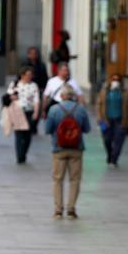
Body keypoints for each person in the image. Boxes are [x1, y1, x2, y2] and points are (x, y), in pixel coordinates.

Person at [45, 85, 92, 219]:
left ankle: (58, 210)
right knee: (75, 179)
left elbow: (47, 129)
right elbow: (87, 129)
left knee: (57, 180)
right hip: (76, 149)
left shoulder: (53, 110)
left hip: (58, 149)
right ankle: (71, 209)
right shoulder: (81, 110)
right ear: (73, 96)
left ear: (61, 96)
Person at [94, 73, 128, 167]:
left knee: (118, 141)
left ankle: (114, 159)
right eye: (113, 79)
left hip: (120, 120)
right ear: (110, 81)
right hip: (106, 120)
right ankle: (110, 154)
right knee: (106, 139)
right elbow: (98, 105)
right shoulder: (104, 91)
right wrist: (99, 119)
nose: (115, 82)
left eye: (117, 80)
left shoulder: (125, 92)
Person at [7, 66, 41, 164]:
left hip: (29, 111)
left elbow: (36, 100)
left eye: (31, 75)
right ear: (22, 75)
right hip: (18, 111)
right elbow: (8, 96)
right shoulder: (15, 84)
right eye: (28, 75)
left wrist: (36, 112)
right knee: (19, 134)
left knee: (27, 135)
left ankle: (24, 152)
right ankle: (19, 156)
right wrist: (12, 97)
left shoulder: (34, 85)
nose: (30, 77)